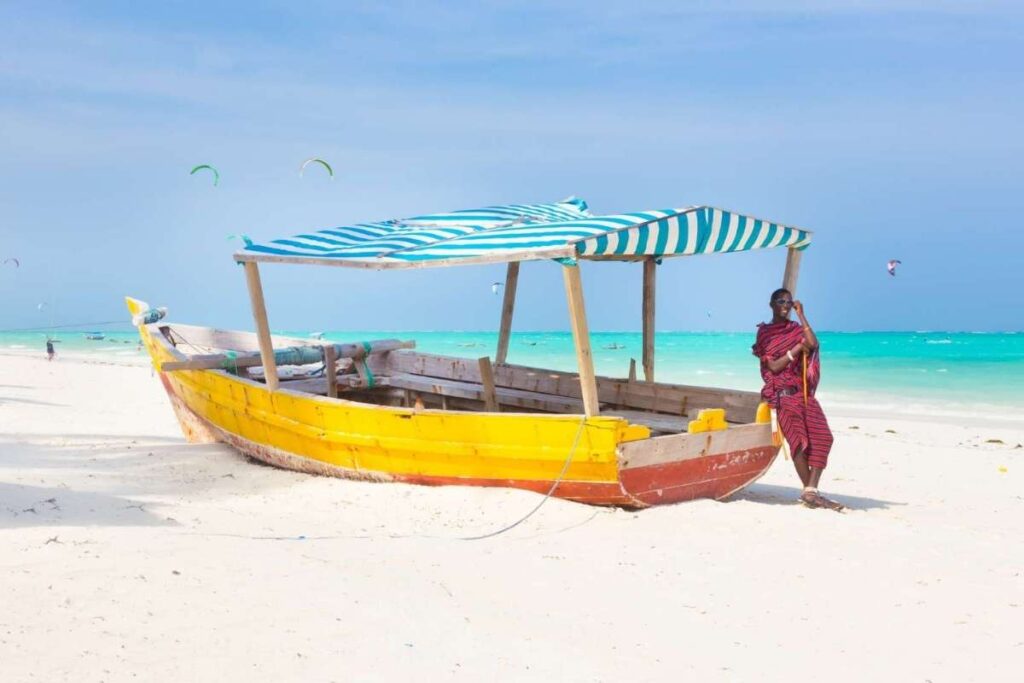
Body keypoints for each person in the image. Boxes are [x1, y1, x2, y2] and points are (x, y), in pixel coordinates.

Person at [752, 288, 842, 511]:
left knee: (824, 437)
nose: (785, 304)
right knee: (799, 444)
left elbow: (812, 343)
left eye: (789, 302)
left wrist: (801, 315)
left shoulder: (795, 328)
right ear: (771, 304)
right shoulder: (765, 333)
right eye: (781, 301)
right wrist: (796, 349)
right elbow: (773, 365)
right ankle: (811, 493)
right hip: (782, 397)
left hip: (802, 394)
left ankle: (810, 491)